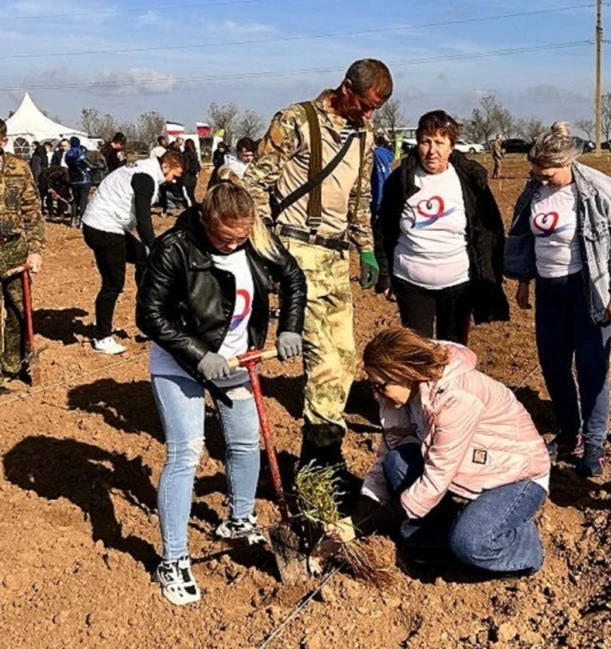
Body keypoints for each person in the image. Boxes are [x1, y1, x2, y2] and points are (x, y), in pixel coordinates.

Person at [136, 182, 306, 606]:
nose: (234, 244)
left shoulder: (257, 239)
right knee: (186, 451)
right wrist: (198, 354)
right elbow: (149, 314)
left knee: (246, 441)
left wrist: (290, 327)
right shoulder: (175, 247)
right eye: (224, 237)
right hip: (180, 361)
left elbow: (293, 278)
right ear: (206, 222)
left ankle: (240, 518)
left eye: (240, 237)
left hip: (236, 359)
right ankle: (173, 559)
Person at [242, 58, 392, 476]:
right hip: (297, 251)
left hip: (335, 256)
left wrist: (366, 249)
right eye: (364, 104)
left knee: (344, 360)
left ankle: (322, 453)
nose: (368, 114)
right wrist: (269, 248)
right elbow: (254, 185)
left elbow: (361, 196)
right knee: (323, 362)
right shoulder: (294, 121)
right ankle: (321, 462)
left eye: (374, 108)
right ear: (345, 88)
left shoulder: (364, 132)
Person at [353, 327, 550, 575]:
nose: (375, 394)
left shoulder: (456, 397)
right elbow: (388, 451)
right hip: (471, 470)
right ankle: (454, 530)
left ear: (402, 373)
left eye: (380, 386)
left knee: (471, 543)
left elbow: (438, 475)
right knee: (396, 462)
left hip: (517, 475)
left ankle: (523, 544)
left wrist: (376, 520)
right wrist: (363, 510)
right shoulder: (399, 398)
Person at [504, 121, 611, 477]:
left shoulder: (598, 190)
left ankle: (594, 443)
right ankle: (568, 435)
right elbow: (523, 235)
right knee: (553, 365)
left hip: (587, 290)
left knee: (592, 369)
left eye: (547, 174)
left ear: (567, 163)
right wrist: (523, 281)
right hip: (549, 290)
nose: (541, 180)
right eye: (536, 174)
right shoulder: (534, 190)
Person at [374, 110, 509, 344]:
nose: (432, 150)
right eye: (426, 142)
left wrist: (491, 276)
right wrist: (385, 277)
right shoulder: (401, 179)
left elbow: (490, 231)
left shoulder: (469, 180)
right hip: (410, 283)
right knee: (418, 353)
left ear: (451, 146)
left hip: (458, 285)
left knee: (454, 352)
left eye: (439, 142)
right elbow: (384, 229)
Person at [81, 151, 184, 355]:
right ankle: (102, 337)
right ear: (166, 166)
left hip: (110, 226)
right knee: (113, 283)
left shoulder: (145, 170)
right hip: (103, 228)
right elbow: (144, 219)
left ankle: (149, 317)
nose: (173, 181)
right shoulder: (145, 177)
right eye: (175, 175)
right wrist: (156, 248)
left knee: (143, 261)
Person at [0, 119, 44, 386]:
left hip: (14, 247)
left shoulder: (19, 168)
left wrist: (35, 249)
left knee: (18, 310)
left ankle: (10, 367)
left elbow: (32, 211)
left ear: (2, 140)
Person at [64, 137, 92, 225]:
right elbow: (87, 164)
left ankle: (73, 219)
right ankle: (81, 221)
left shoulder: (68, 154)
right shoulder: (79, 152)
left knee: (75, 200)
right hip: (84, 179)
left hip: (73, 179)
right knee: (83, 200)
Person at [370, 132, 394, 220]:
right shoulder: (385, 156)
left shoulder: (373, 155)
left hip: (376, 200)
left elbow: (377, 180)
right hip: (387, 198)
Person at [181, 139, 201, 206]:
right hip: (193, 176)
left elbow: (184, 166)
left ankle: (192, 206)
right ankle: (193, 205)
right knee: (191, 193)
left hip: (186, 176)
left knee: (187, 194)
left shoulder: (184, 154)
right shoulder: (195, 154)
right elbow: (198, 166)